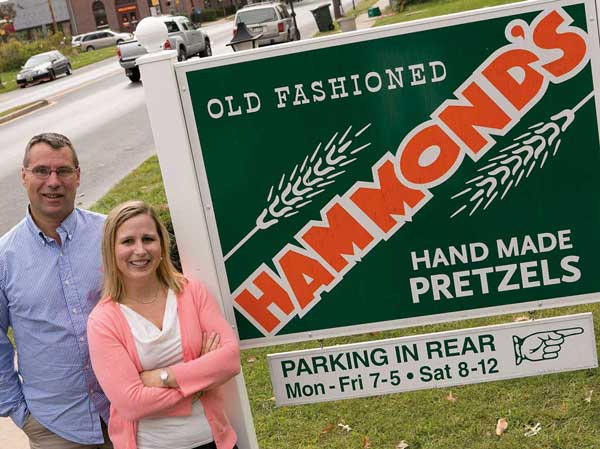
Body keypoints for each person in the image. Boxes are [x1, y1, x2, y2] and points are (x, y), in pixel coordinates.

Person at [87, 200, 240, 449]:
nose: (140, 250)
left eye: (148, 239)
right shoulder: (103, 321)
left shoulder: (191, 293)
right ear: (111, 250)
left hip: (215, 441)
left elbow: (230, 359)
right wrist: (199, 384)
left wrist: (163, 377)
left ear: (161, 244)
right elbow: (131, 403)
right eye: (127, 241)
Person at [0, 133, 112, 448]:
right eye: (41, 171)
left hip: (128, 414)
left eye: (63, 171)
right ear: (23, 176)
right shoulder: (4, 258)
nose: (53, 181)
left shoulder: (111, 236)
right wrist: (19, 412)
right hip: (55, 428)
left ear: (77, 176)